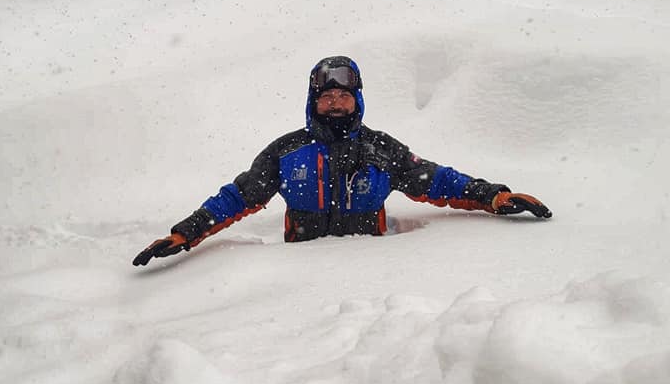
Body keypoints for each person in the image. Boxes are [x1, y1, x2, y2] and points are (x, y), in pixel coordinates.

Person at [133, 56, 551, 267]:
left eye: (343, 96)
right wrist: (185, 233)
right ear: (314, 101)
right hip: (294, 289)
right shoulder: (286, 151)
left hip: (373, 292)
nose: (335, 103)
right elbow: (238, 196)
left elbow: (439, 181)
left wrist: (494, 196)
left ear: (357, 100)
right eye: (327, 96)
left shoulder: (382, 149)